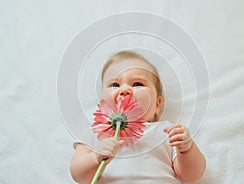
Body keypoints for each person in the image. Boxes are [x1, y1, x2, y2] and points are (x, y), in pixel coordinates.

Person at [70, 50, 206, 183]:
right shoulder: (95, 131)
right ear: (102, 102)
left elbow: (190, 175)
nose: (124, 90)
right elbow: (78, 176)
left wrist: (186, 149)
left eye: (137, 84)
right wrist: (95, 158)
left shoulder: (166, 131)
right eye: (115, 84)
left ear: (157, 105)